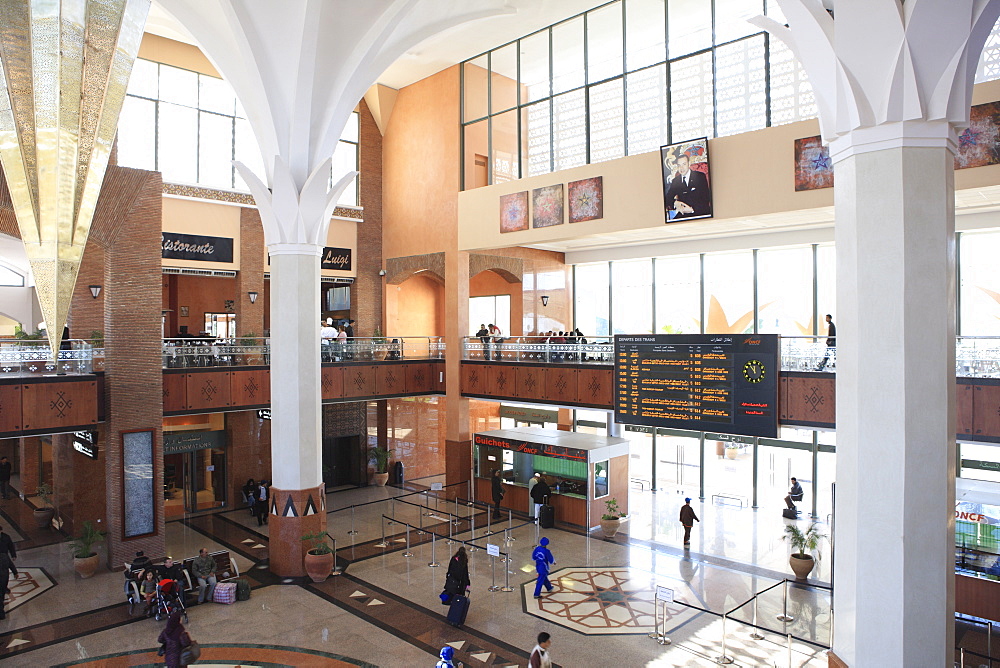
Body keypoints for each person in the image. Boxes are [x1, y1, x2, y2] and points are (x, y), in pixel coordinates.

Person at [663, 152, 711, 218]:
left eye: (684, 164)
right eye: (679, 165)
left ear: (689, 164)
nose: (681, 168)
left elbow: (706, 198)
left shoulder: (700, 176)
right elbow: (668, 198)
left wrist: (692, 209)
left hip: (700, 211)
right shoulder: (676, 181)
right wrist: (675, 203)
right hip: (683, 214)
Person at [0, 547, 17, 620]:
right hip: (4, 580)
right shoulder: (4, 556)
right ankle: (1, 613)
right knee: (1, 597)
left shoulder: (4, 556)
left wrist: (15, 572)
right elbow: (11, 565)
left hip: (3, 581)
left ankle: (1, 613)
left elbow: (11, 565)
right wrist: (15, 572)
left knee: (0, 597)